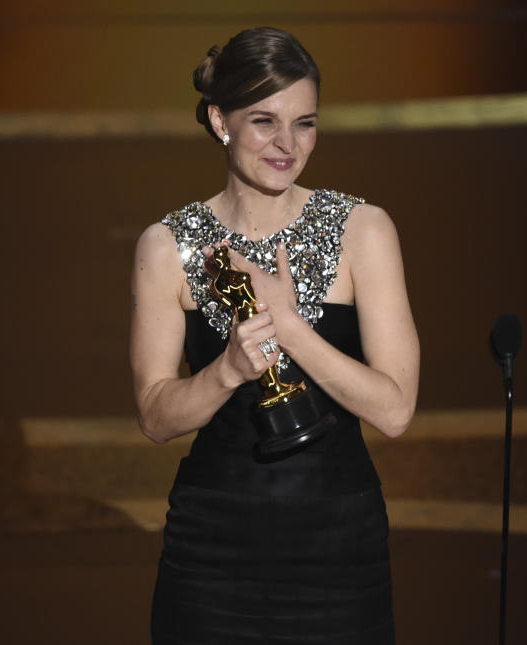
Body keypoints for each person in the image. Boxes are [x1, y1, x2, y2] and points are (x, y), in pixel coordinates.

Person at [130, 26, 420, 644]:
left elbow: (395, 410)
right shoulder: (169, 246)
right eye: (265, 121)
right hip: (213, 551)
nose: (288, 144)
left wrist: (292, 328)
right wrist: (228, 369)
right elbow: (156, 416)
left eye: (306, 123)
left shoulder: (362, 231)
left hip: (339, 548)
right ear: (220, 120)